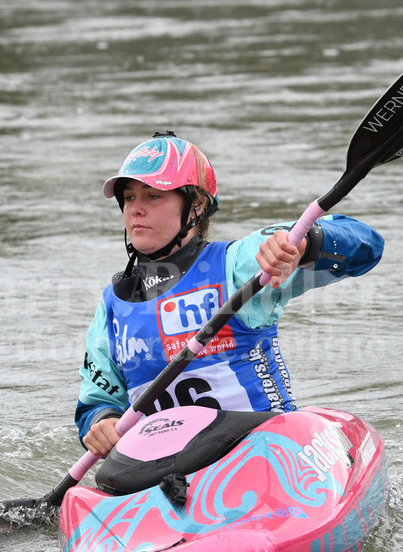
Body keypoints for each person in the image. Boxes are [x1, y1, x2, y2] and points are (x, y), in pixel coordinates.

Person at [76, 131, 383, 457]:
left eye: (153, 196)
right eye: (129, 197)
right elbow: (97, 400)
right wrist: (103, 422)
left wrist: (306, 246)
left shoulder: (237, 264)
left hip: (263, 452)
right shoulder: (114, 305)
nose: (135, 210)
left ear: (195, 206)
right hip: (166, 471)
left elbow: (368, 244)